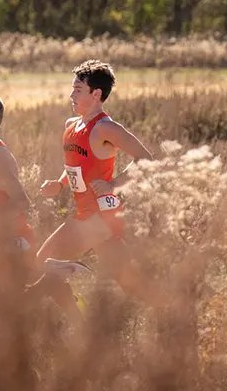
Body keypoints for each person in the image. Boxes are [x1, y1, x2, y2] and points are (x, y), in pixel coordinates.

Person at [37, 60, 156, 303]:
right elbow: (74, 167)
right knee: (132, 283)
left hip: (99, 214)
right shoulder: (71, 125)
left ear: (96, 94)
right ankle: (175, 310)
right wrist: (59, 184)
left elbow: (146, 159)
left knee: (44, 260)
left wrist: (113, 184)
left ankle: (73, 312)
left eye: (78, 90)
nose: (71, 95)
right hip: (91, 213)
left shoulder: (105, 128)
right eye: (72, 89)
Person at [0, 92, 84, 314]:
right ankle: (52, 282)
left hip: (13, 244)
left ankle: (52, 282)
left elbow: (21, 202)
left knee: (9, 312)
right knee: (1, 308)